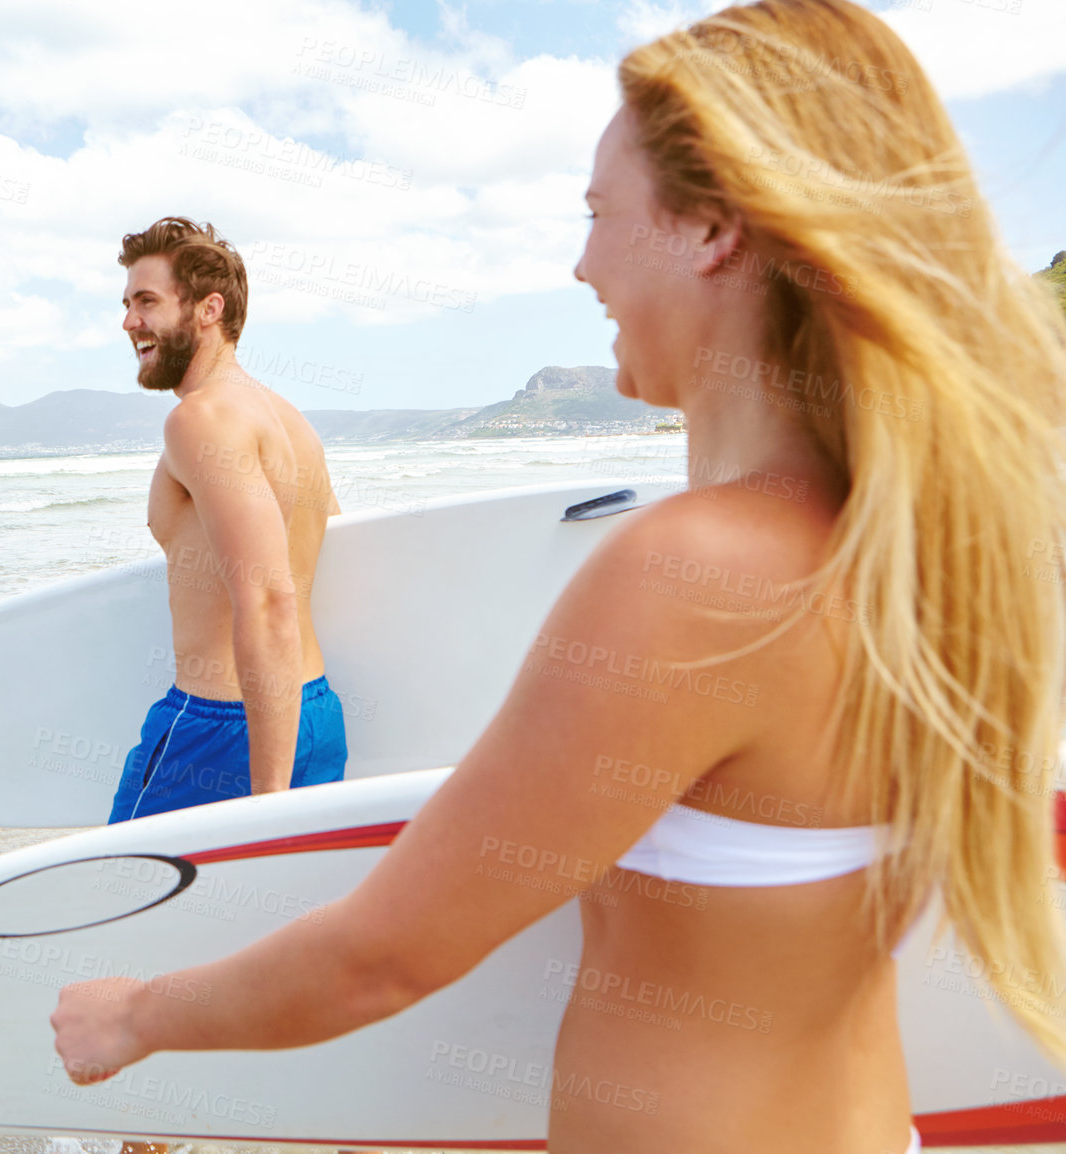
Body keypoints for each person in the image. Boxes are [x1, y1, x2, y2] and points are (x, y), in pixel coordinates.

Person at [52, 2, 1066, 1151]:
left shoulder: (695, 574)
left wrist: (132, 1012)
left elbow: (382, 954)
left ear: (712, 227)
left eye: (597, 214)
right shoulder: (914, 546)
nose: (581, 263)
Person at [106, 217, 349, 825]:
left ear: (209, 308)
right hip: (313, 710)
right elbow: (327, 547)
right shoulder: (290, 420)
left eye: (146, 302)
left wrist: (266, 806)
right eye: (127, 303)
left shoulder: (201, 419)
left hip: (222, 729)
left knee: (122, 907)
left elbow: (268, 598)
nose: (129, 322)